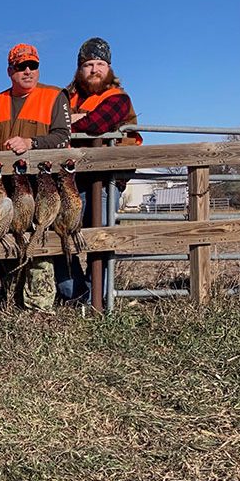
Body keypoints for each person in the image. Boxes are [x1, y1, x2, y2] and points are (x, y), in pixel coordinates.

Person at [57, 37, 142, 301]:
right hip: (70, 182)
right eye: (89, 64)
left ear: (109, 68)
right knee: (58, 235)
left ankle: (99, 297)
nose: (95, 69)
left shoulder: (118, 98)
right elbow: (50, 127)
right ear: (79, 69)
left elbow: (96, 124)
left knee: (101, 238)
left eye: (100, 63)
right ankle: (77, 293)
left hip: (107, 180)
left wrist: (71, 122)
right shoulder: (64, 96)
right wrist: (74, 120)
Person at [0, 43, 70, 311]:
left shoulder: (54, 96)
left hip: (41, 187)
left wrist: (31, 142)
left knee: (40, 243)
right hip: (6, 188)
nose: (27, 71)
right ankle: (10, 299)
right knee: (9, 241)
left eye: (32, 66)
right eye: (21, 66)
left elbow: (62, 138)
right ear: (9, 70)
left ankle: (39, 306)